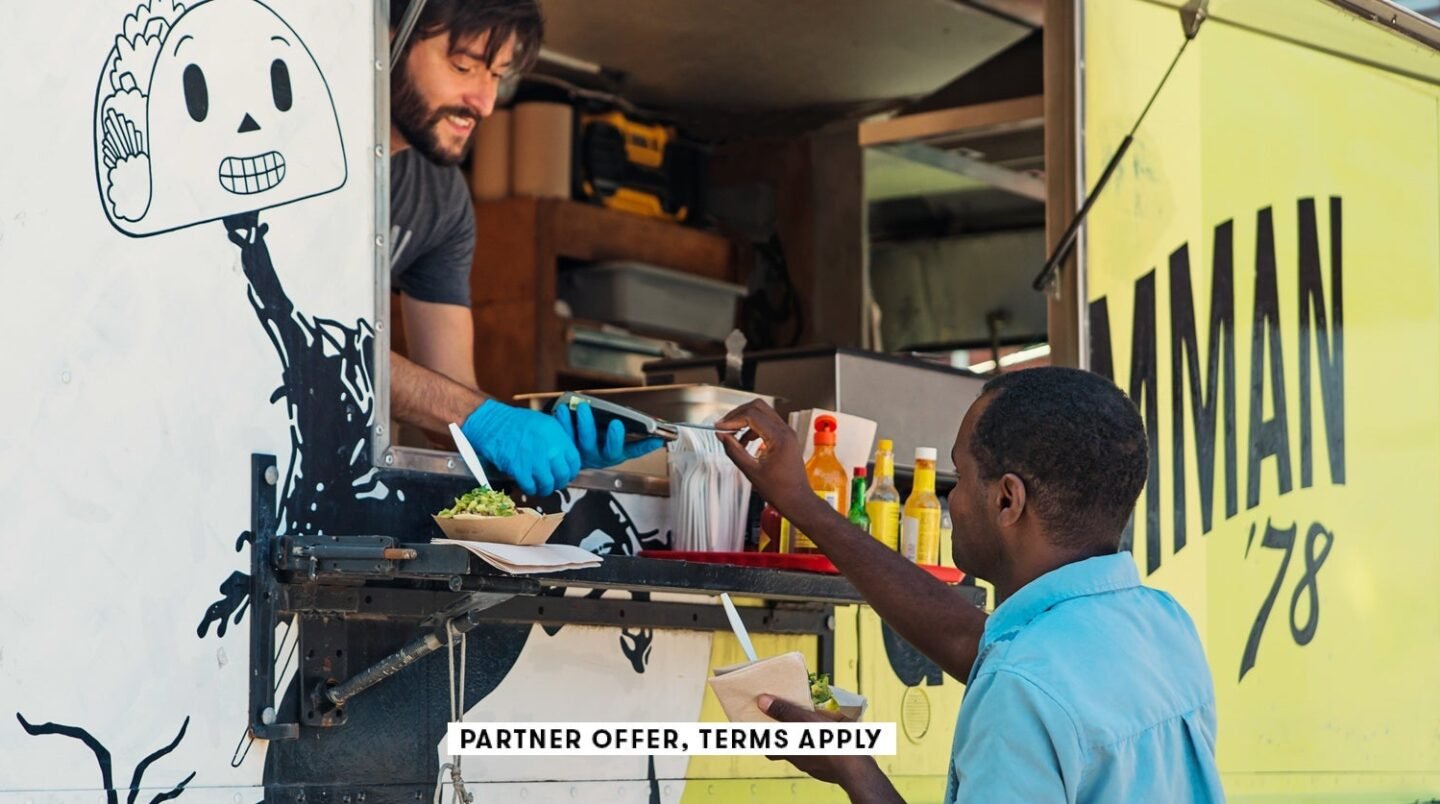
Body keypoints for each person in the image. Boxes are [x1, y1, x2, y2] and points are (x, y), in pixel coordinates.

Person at [715, 367, 1224, 803]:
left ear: (1007, 500)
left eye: (958, 477)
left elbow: (1016, 674)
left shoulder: (1019, 689)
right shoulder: (1162, 624)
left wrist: (853, 768)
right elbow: (973, 642)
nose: (949, 501)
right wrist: (803, 505)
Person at [382, 0, 659, 494]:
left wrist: (547, 440)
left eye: (498, 76)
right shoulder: (292, 153)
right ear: (386, 40)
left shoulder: (442, 200)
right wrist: (482, 418)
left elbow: (448, 411)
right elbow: (311, 342)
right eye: (463, 66)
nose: (485, 102)